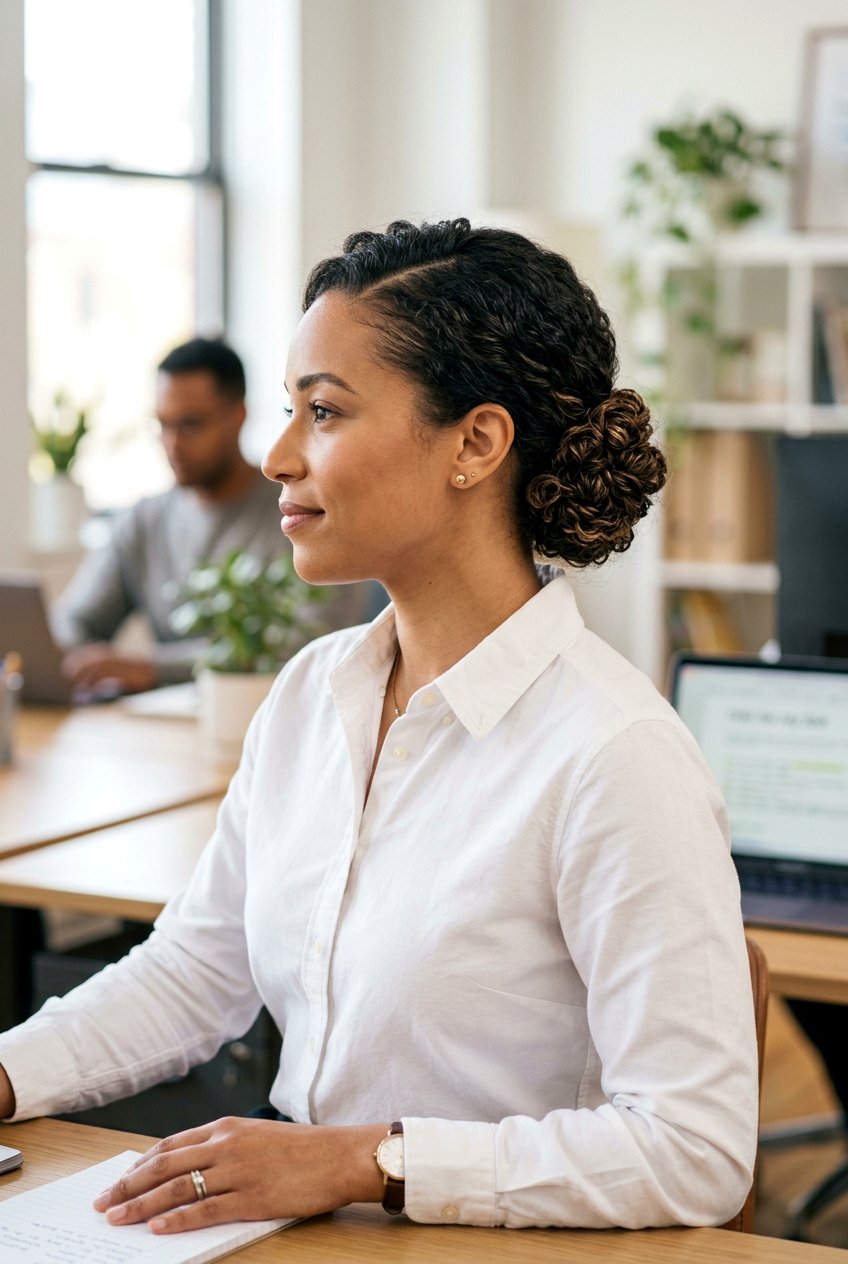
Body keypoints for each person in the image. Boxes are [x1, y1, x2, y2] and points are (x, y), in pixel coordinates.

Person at [0, 220, 758, 1233]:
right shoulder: (315, 691)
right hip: (301, 1233)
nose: (275, 456)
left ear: (475, 443)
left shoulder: (613, 754)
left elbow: (691, 1149)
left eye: (322, 411)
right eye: (288, 411)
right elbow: (194, 972)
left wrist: (368, 1161)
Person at [52, 337, 381, 694]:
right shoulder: (142, 522)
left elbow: (308, 642)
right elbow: (75, 621)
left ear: (237, 416)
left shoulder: (303, 510)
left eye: (190, 425)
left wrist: (154, 669)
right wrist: (74, 657)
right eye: (163, 425)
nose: (173, 444)